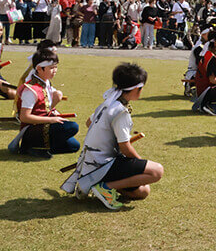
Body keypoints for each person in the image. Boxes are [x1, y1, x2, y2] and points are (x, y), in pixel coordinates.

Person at [61, 62, 163, 210]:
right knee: (156, 171)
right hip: (103, 164)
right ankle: (105, 187)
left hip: (93, 162)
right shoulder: (120, 112)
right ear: (136, 89)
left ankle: (97, 186)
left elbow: (89, 123)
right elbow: (125, 147)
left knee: (143, 191)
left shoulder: (107, 103)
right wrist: (140, 163)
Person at [9, 41, 79, 158]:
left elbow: (46, 107)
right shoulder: (30, 90)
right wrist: (51, 120)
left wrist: (55, 115)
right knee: (73, 127)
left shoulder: (45, 82)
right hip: (31, 129)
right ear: (39, 69)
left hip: (42, 125)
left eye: (56, 67)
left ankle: (36, 149)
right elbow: (24, 117)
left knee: (73, 146)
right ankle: (29, 145)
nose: (55, 70)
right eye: (51, 68)